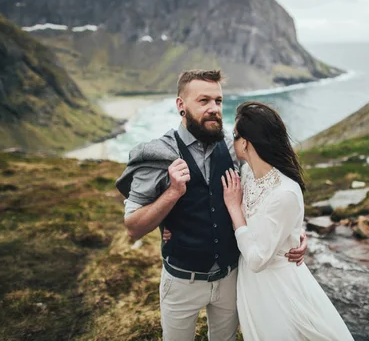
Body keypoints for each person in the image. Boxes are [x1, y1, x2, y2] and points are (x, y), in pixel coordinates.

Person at [115, 70, 307, 341]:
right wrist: (172, 193)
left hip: (231, 278)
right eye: (203, 101)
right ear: (181, 105)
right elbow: (133, 227)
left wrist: (294, 230)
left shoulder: (234, 148)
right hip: (182, 281)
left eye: (218, 101)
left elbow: (270, 190)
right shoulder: (156, 154)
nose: (214, 109)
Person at [221, 101, 355, 341]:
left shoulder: (285, 191)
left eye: (234, 135)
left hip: (277, 286)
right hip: (252, 284)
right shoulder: (247, 172)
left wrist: (233, 207)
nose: (232, 141)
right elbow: (268, 225)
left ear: (246, 142)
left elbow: (257, 259)